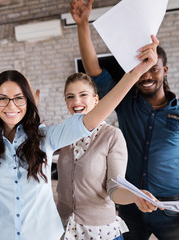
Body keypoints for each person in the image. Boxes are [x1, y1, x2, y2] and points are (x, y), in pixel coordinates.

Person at [0, 23, 159, 239]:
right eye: (3, 98)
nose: (11, 105)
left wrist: (137, 72)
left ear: (29, 102)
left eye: (19, 98)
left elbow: (91, 118)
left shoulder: (46, 139)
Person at [71, 0, 179, 239]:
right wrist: (82, 25)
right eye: (142, 69)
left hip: (171, 210)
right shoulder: (126, 102)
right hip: (131, 205)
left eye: (154, 68)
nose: (147, 75)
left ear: (166, 70)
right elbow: (94, 69)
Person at [56, 72, 159, 240]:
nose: (76, 102)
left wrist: (135, 196)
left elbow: (114, 188)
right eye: (70, 96)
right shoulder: (63, 135)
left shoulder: (112, 136)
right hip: (65, 229)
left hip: (99, 232)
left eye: (83, 95)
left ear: (96, 100)